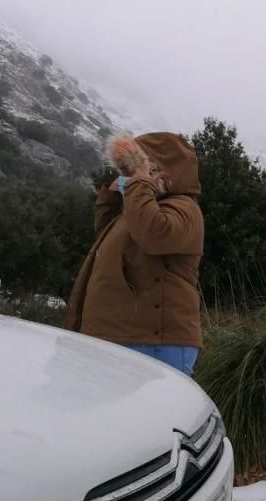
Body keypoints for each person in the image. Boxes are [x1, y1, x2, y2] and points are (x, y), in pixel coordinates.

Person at [64, 132, 204, 376]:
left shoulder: (184, 208)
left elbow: (154, 236)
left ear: (160, 170)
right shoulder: (139, 207)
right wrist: (114, 195)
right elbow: (106, 237)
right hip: (125, 338)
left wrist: (139, 185)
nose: (127, 177)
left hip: (154, 344)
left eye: (134, 169)